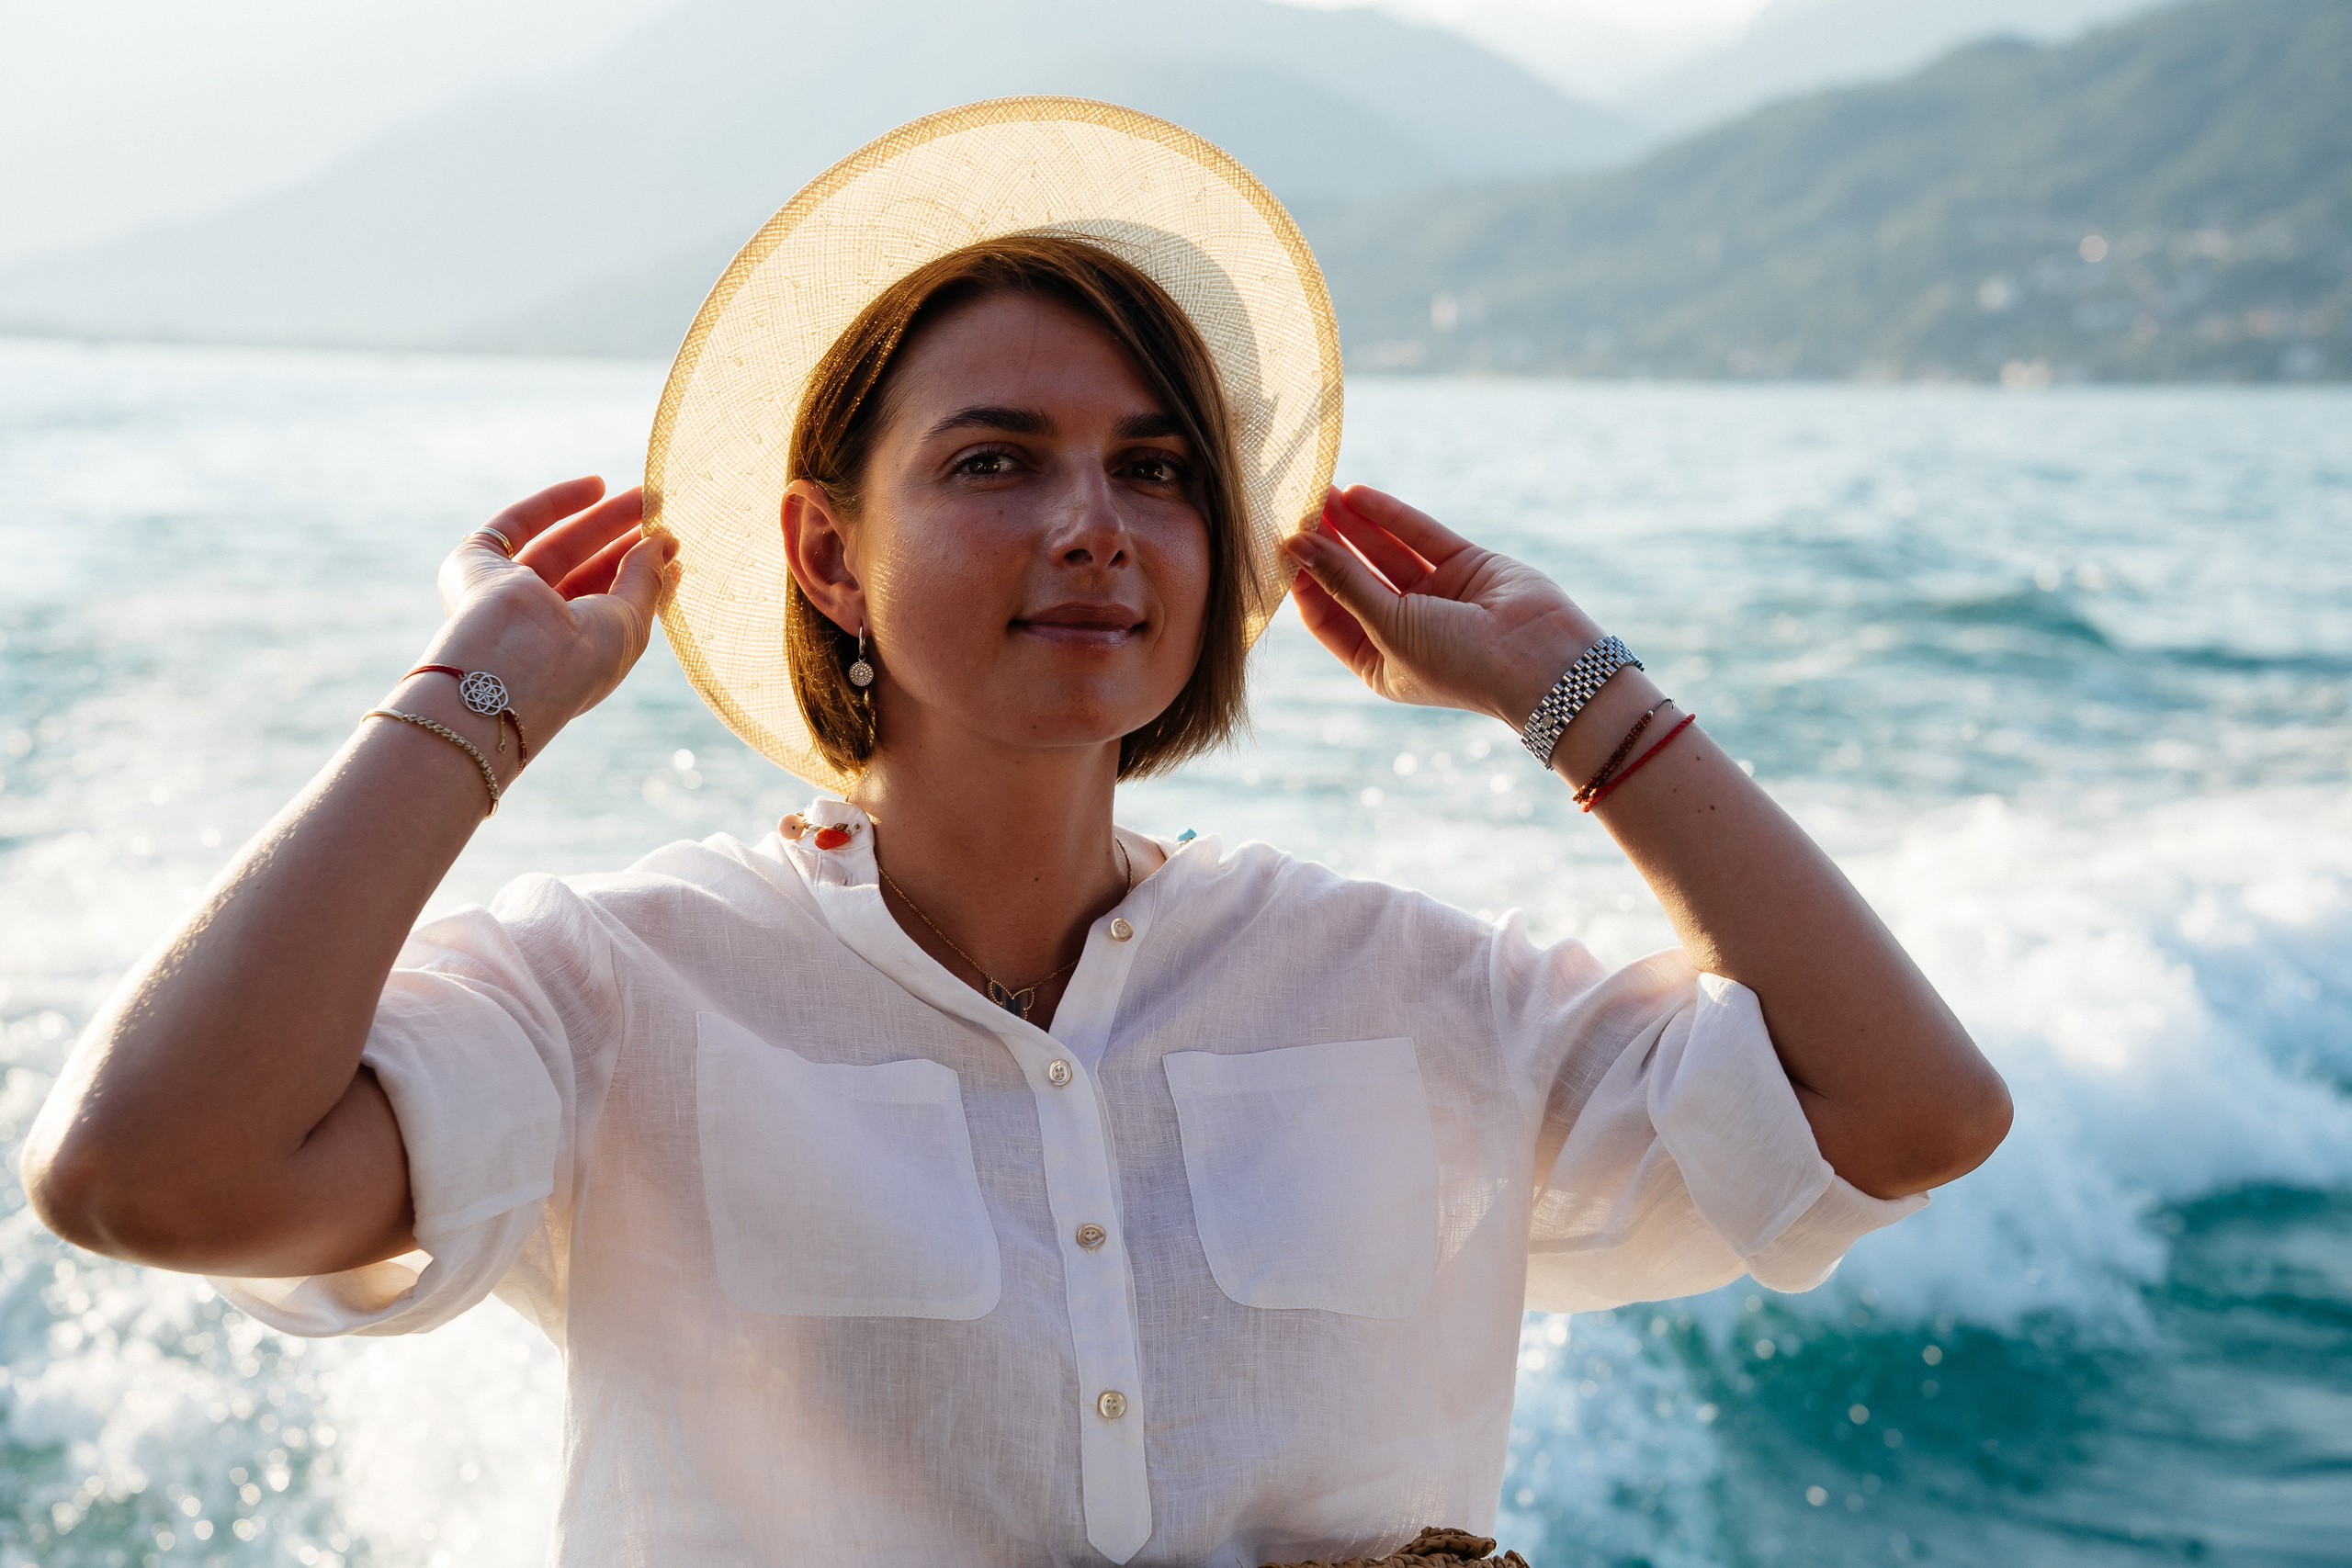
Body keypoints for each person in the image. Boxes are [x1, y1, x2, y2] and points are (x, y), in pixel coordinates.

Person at [23, 101, 2008, 1566]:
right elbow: (146, 1175)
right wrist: (471, 710)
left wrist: (1577, 693)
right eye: (996, 461)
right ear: (825, 552)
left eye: (1153, 470)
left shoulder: (1411, 984)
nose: (1093, 521)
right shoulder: (611, 990)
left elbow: (1910, 1114)